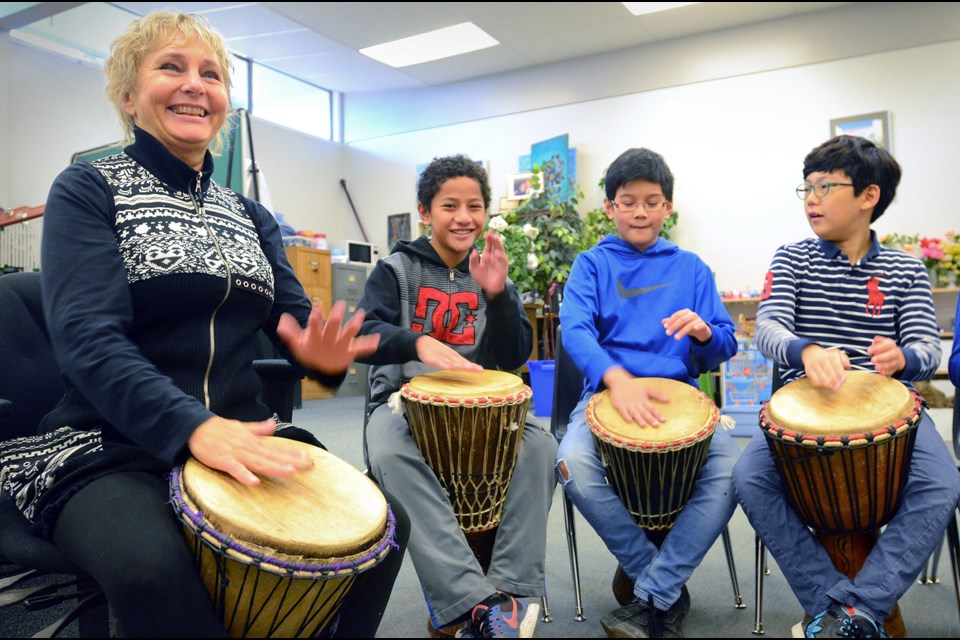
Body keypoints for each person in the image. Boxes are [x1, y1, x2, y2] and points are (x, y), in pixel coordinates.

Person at [0, 11, 409, 637]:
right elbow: (88, 339)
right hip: (109, 443)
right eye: (171, 67)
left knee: (379, 530)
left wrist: (317, 355)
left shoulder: (251, 216)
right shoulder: (89, 189)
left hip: (243, 435)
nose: (195, 84)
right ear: (129, 97)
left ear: (223, 104)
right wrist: (192, 425)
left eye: (211, 74)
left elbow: (294, 322)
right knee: (149, 568)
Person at [732, 135, 960, 639]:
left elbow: (929, 350)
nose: (810, 198)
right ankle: (835, 605)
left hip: (891, 413)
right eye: (806, 188)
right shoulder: (792, 260)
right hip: (799, 413)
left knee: (942, 483)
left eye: (824, 186)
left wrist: (903, 358)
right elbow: (768, 328)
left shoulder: (905, 268)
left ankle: (856, 610)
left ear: (868, 196)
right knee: (749, 478)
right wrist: (806, 351)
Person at [356, 154, 557, 638]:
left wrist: (498, 296)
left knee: (541, 446)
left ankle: (508, 594)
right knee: (388, 453)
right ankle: (472, 605)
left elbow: (511, 356)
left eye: (474, 206)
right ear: (425, 211)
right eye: (450, 206)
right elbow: (363, 330)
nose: (464, 217)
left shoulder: (490, 270)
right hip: (402, 405)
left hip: (483, 409)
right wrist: (416, 343)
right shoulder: (395, 269)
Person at [555, 147, 740, 638]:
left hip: (684, 399)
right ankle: (662, 586)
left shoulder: (693, 268)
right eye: (628, 201)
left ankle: (651, 594)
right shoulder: (590, 265)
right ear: (610, 207)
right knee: (571, 462)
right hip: (603, 396)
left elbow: (725, 343)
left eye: (652, 201)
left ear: (668, 207)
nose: (640, 211)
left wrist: (704, 332)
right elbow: (574, 331)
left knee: (733, 471)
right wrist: (617, 380)